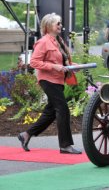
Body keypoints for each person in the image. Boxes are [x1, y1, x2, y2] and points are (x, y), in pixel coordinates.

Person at [17, 13, 81, 154]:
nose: (60, 26)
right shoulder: (43, 42)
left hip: (58, 80)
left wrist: (74, 66)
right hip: (48, 80)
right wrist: (54, 67)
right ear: (48, 26)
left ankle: (26, 135)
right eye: (57, 23)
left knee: (51, 112)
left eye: (60, 23)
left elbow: (64, 62)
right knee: (62, 109)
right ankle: (65, 145)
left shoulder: (58, 41)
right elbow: (34, 62)